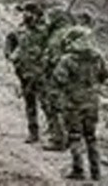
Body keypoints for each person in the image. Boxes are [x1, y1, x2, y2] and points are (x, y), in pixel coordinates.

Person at [52, 26, 107, 180]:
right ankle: (96, 172)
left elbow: (59, 79)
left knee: (75, 136)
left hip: (73, 103)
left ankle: (78, 169)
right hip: (92, 101)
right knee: (91, 137)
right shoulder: (97, 57)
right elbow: (104, 76)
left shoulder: (67, 59)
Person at [4, 1, 47, 143]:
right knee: (30, 104)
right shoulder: (19, 30)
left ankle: (57, 135)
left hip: (41, 73)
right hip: (25, 73)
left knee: (48, 104)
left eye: (28, 12)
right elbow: (9, 41)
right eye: (24, 12)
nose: (25, 15)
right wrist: (10, 55)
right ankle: (33, 132)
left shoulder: (44, 31)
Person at [40, 9, 75, 151]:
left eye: (49, 18)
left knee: (54, 107)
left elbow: (52, 57)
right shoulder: (71, 32)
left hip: (58, 77)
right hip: (72, 77)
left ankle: (59, 140)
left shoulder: (57, 36)